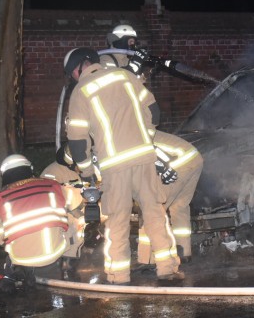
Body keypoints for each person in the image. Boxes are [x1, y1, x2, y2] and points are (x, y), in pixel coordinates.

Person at [62, 47, 183, 284]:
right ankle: (167, 269)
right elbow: (154, 112)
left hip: (114, 167)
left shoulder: (80, 91)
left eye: (72, 73)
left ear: (78, 67)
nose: (74, 77)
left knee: (118, 221)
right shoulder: (126, 76)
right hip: (144, 159)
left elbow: (77, 141)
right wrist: (146, 138)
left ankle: (119, 276)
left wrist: (87, 172)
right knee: (155, 215)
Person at [0, 154, 73, 293]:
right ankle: (70, 262)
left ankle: (12, 275)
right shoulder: (52, 187)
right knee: (74, 219)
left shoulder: (0, 202)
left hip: (22, 259)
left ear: (4, 175)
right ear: (30, 169)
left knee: (9, 244)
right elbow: (74, 202)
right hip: (56, 253)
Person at [136, 130, 203, 266]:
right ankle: (184, 252)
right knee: (180, 206)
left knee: (152, 209)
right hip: (194, 158)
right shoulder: (140, 127)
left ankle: (147, 259)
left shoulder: (130, 137)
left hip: (178, 163)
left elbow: (151, 154)